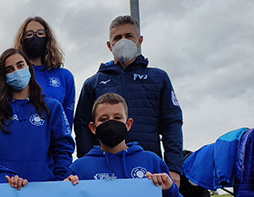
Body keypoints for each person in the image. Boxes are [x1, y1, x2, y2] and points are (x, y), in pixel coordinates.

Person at [73, 15, 184, 186]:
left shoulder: (158, 78)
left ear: (139, 41)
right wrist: (87, 166)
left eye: (129, 36)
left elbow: (172, 123)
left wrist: (174, 168)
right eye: (117, 38)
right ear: (110, 45)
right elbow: (82, 127)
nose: (123, 41)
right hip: (104, 174)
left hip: (149, 173)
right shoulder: (93, 83)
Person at [0, 48, 74, 182]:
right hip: (4, 188)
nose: (16, 71)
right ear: (4, 77)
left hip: (43, 187)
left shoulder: (51, 107)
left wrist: (61, 181)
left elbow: (62, 148)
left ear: (29, 68)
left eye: (20, 65)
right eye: (9, 69)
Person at [13, 16, 75, 126]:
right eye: (29, 34)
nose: (35, 37)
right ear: (22, 39)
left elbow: (68, 118)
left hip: (54, 138)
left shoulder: (65, 76)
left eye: (40, 33)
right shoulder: (16, 75)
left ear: (48, 38)